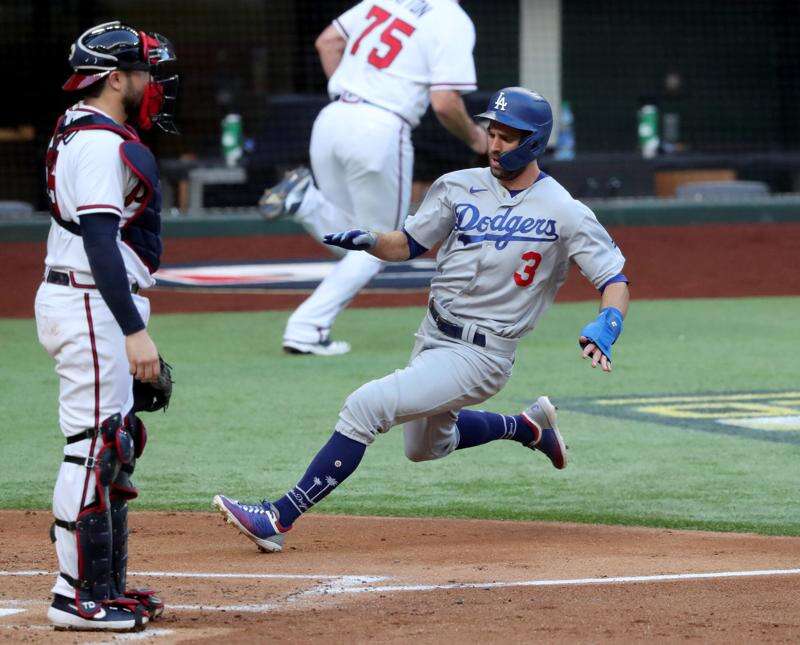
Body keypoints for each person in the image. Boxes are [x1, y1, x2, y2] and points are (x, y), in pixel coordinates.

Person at [214, 87, 630, 552]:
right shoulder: (458, 186)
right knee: (424, 447)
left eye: (507, 137)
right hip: (432, 334)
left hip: (483, 354)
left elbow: (614, 277)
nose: (494, 144)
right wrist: (371, 239)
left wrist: (606, 324)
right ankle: (529, 428)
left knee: (365, 407)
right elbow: (408, 244)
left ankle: (279, 516)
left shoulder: (565, 211)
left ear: (533, 142)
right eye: (491, 133)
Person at [35, 21, 178, 632]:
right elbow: (98, 239)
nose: (154, 85)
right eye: (146, 73)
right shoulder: (97, 144)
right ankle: (75, 595)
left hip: (93, 301)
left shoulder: (89, 130)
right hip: (89, 302)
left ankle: (104, 585)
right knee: (94, 447)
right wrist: (133, 329)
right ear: (115, 78)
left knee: (114, 444)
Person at [259, 0, 488, 356]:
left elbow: (327, 42)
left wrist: (352, 90)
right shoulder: (452, 18)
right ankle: (306, 328)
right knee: (384, 245)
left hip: (334, 116)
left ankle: (306, 201)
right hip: (380, 126)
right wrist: (477, 138)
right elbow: (444, 101)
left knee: (354, 239)